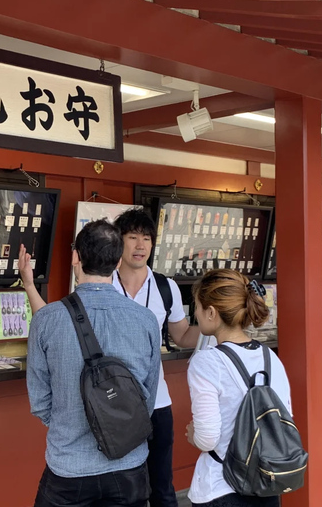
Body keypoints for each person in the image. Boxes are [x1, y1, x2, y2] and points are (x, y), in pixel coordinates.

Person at [20, 208, 200, 507]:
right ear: (117, 261)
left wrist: (70, 423)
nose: (141, 244)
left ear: (76, 257)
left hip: (69, 465)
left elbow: (40, 401)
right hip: (128, 466)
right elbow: (148, 390)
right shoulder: (144, 320)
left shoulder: (49, 319)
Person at [185, 269, 292, 507]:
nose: (196, 313)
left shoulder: (206, 362)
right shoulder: (270, 357)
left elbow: (207, 439)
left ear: (211, 312)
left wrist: (194, 436)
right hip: (266, 484)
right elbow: (285, 419)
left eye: (198, 306)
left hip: (220, 488)